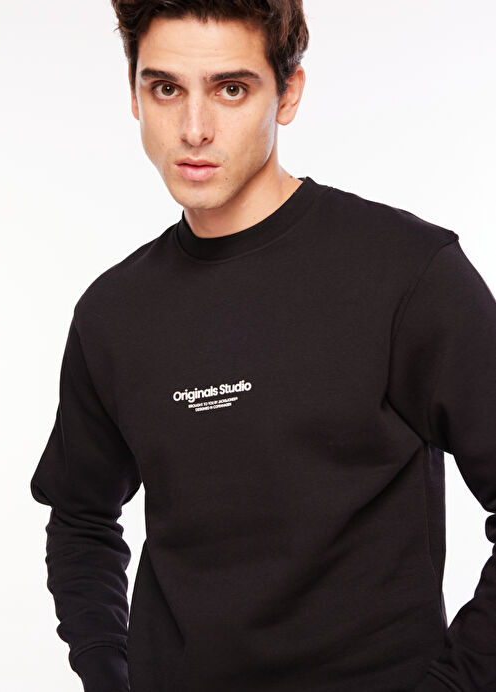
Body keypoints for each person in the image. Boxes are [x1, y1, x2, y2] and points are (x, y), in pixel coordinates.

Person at [30, 2, 496, 691]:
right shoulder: (113, 312)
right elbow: (79, 514)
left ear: (288, 93)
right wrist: (107, 669)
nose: (193, 128)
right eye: (167, 88)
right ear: (134, 96)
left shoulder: (407, 272)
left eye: (231, 88)